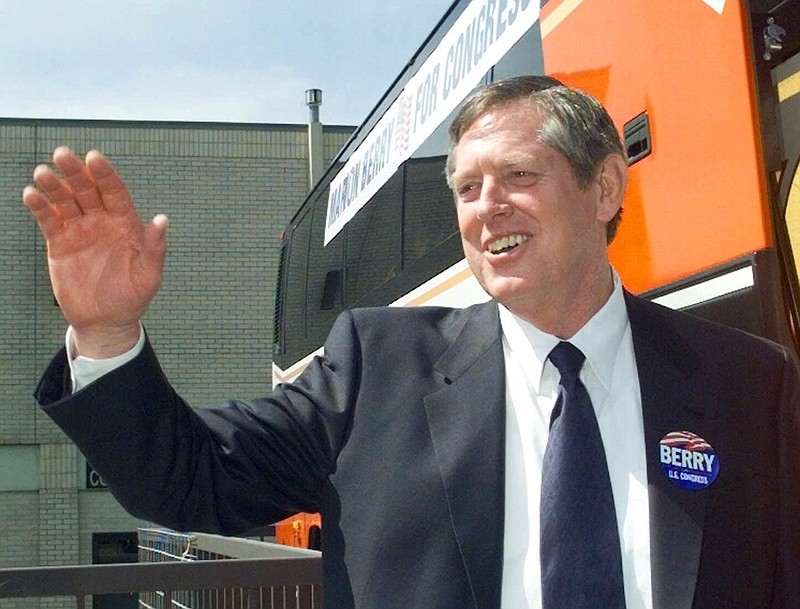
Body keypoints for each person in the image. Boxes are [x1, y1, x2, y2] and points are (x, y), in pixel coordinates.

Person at [23, 75, 800, 609]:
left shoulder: (748, 382)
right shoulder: (375, 365)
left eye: (517, 175)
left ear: (604, 188)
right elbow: (188, 479)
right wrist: (105, 331)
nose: (484, 208)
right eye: (466, 187)